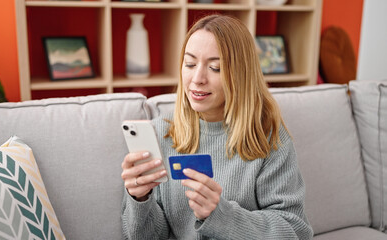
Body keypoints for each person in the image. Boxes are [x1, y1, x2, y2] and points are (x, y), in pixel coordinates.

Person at [121, 14, 313, 239]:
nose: (197, 78)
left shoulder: (267, 137)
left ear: (240, 75)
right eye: (190, 63)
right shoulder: (161, 134)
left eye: (215, 68)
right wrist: (140, 200)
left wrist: (223, 215)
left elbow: (295, 231)